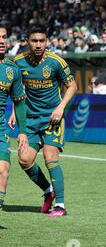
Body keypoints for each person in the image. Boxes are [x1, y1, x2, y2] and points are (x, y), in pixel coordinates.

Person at [9, 24, 78, 217]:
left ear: (47, 42)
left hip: (52, 119)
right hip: (30, 119)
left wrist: (60, 107)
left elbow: (72, 86)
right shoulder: (18, 62)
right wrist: (15, 112)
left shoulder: (56, 62)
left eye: (42, 41)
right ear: (27, 42)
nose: (38, 45)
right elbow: (16, 89)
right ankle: (48, 191)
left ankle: (61, 205)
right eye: (34, 41)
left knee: (50, 158)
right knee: (24, 159)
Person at [0, 24, 29, 210]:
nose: (1, 41)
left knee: (3, 171)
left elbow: (19, 102)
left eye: (4, 37)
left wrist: (23, 131)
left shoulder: (12, 69)